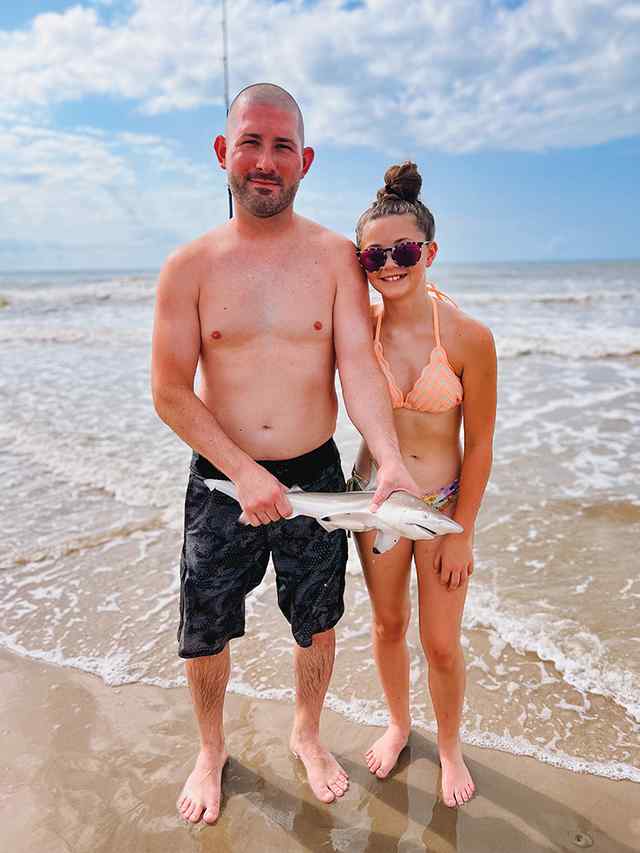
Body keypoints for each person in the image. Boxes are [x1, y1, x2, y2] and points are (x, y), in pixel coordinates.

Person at [151, 84, 420, 825]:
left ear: (304, 160)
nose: (264, 161)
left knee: (318, 619)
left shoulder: (336, 256)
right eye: (250, 142)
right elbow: (170, 391)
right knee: (204, 629)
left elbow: (359, 370)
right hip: (221, 481)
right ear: (223, 153)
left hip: (316, 476)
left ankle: (307, 731)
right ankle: (211, 749)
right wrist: (243, 471)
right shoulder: (189, 267)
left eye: (280, 147)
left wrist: (389, 455)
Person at [349, 162, 497, 807]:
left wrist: (461, 531)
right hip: (375, 503)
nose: (389, 265)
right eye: (373, 255)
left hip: (439, 509)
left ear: (429, 252)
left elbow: (481, 443)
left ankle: (451, 746)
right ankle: (398, 724)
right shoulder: (355, 328)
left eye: (404, 251)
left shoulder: (469, 337)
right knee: (387, 626)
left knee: (440, 644)